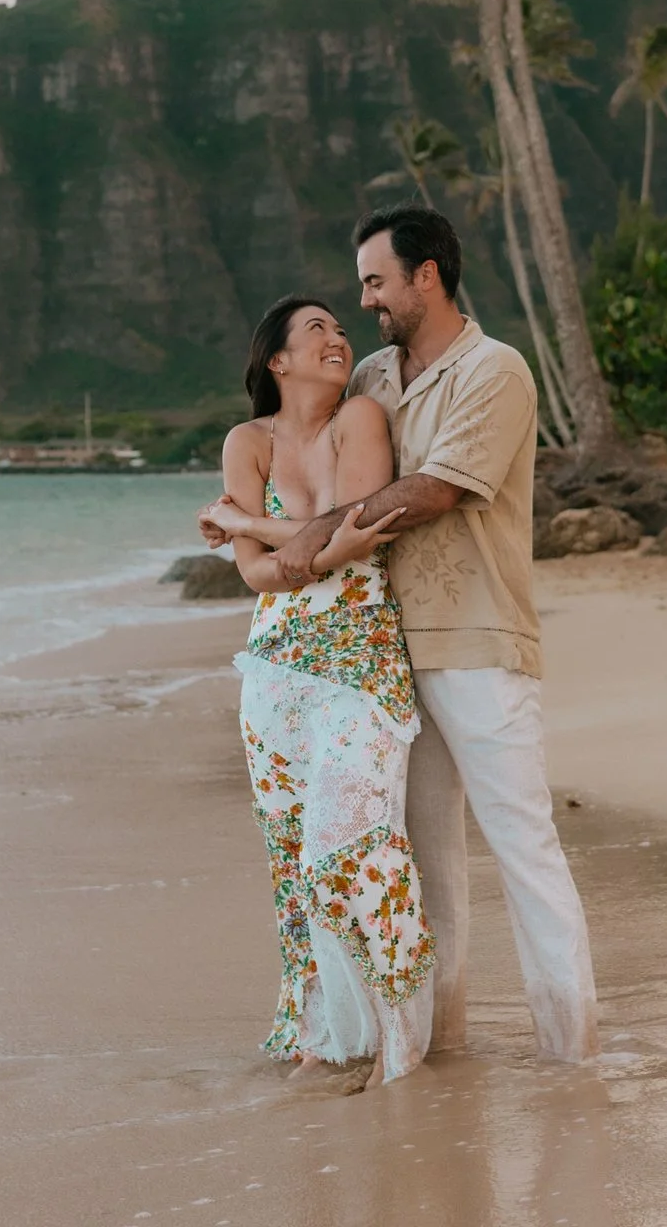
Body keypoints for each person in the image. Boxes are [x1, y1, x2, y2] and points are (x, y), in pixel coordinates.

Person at [201, 206, 597, 1063]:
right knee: (422, 872)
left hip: (478, 640)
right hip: (383, 657)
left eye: (377, 282)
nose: (368, 301)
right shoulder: (373, 379)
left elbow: (433, 492)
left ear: (428, 275)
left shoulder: (497, 370)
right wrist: (277, 531)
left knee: (524, 849)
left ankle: (574, 1054)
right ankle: (437, 1052)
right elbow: (303, 459)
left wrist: (303, 534)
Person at [216, 294, 434, 1085]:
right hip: (274, 673)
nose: (338, 338)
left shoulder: (362, 420)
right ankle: (322, 1034)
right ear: (278, 359)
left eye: (341, 329)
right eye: (318, 331)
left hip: (361, 662)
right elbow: (255, 576)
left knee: (350, 851)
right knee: (290, 866)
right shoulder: (248, 440)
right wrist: (316, 543)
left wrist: (261, 528)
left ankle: (403, 1041)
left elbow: (364, 522)